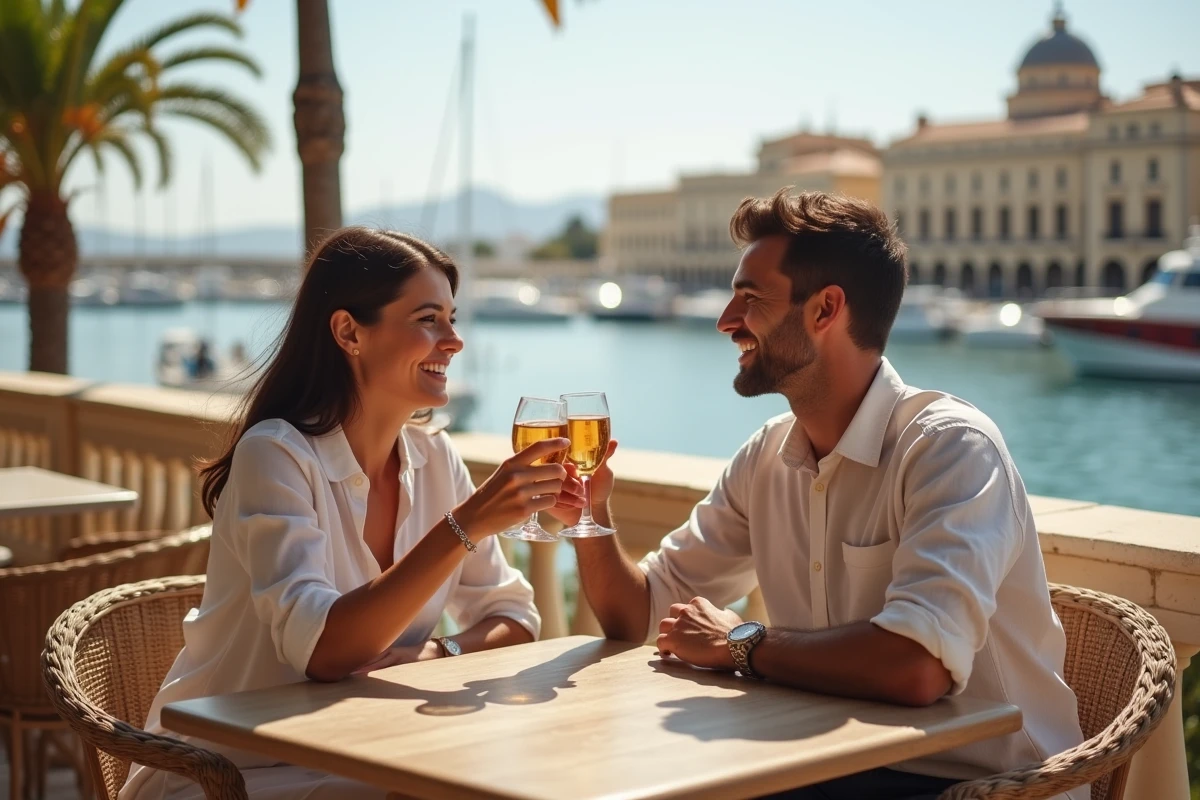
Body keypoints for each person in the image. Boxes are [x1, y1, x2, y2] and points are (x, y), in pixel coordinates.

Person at [565, 190, 1087, 800]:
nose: (726, 320)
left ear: (825, 310)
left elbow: (917, 667)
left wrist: (741, 644)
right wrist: (591, 516)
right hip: (835, 768)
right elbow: (639, 615)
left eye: (751, 298)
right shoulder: (766, 456)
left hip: (986, 783)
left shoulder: (950, 448)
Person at [121, 228, 583, 800]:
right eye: (428, 319)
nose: (454, 341)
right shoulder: (277, 455)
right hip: (226, 770)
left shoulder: (435, 458)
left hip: (363, 754)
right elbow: (322, 652)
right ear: (348, 332)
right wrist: (463, 527)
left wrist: (438, 650)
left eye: (452, 319)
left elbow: (515, 616)